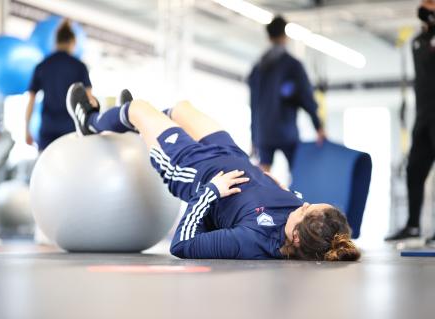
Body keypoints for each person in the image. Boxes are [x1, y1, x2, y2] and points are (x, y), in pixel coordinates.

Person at [66, 82, 360, 261]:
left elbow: (182, 245)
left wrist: (211, 193)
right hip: (232, 155)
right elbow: (282, 197)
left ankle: (90, 121)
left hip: (192, 168)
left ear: (296, 239)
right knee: (182, 108)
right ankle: (133, 122)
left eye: (305, 210)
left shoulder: (252, 240)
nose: (303, 203)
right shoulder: (305, 222)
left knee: (139, 108)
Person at [248, 15, 325, 172]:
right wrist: (319, 126)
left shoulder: (257, 69)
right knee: (297, 174)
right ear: (285, 36)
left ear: (268, 37)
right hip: (286, 133)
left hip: (264, 134)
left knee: (263, 176)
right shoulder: (293, 66)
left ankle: (263, 197)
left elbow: (253, 105)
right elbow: (307, 97)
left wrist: (254, 137)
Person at [386, 0, 435, 243]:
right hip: (424, 116)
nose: (426, 7)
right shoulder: (418, 41)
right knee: (414, 170)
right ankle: (413, 225)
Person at [26, 19, 96, 151]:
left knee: (45, 169)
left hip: (48, 128)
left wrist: (26, 130)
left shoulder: (42, 66)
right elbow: (89, 100)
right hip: (71, 129)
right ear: (72, 43)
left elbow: (31, 100)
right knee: (70, 169)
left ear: (56, 42)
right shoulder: (79, 66)